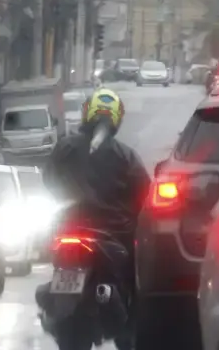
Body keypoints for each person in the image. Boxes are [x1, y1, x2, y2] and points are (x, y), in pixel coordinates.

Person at [41, 87, 150, 349]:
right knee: (139, 283)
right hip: (112, 235)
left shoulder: (64, 148)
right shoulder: (126, 156)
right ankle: (128, 325)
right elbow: (145, 194)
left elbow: (48, 180)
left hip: (68, 230)